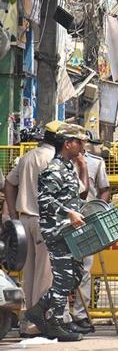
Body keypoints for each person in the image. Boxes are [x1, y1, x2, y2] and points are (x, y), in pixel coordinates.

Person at [24, 123, 90, 342]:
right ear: (67, 143)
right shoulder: (54, 169)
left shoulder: (69, 167)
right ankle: (55, 323)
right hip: (57, 231)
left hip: (70, 231)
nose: (82, 145)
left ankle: (40, 309)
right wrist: (69, 213)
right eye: (79, 142)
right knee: (63, 280)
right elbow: (44, 199)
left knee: (76, 274)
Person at [5, 121, 61, 338]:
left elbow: (10, 183)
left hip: (25, 220)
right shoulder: (55, 160)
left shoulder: (28, 156)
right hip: (45, 221)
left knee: (28, 274)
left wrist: (12, 213)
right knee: (45, 275)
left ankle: (26, 322)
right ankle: (38, 324)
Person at [65, 130, 111, 333]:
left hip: (86, 220)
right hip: (62, 219)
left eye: (86, 142)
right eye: (82, 142)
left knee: (85, 269)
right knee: (61, 269)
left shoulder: (96, 162)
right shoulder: (58, 162)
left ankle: (81, 314)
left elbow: (104, 188)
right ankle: (63, 315)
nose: (85, 146)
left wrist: (100, 210)